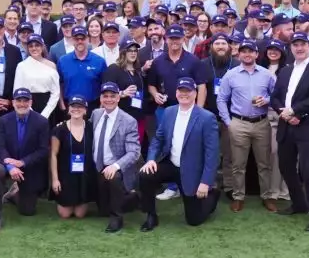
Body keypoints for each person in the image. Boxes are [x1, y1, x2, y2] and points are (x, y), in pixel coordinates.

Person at [271, 33, 309, 232]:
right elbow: (275, 97)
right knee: (285, 166)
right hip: (286, 126)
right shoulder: (285, 70)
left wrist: (297, 112)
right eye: (295, 45)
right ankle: (299, 204)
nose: (299, 48)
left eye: (302, 44)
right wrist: (284, 112)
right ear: (291, 48)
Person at [138, 78, 220, 230]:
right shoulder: (169, 112)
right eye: (181, 91)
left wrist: (205, 182)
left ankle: (212, 194)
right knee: (145, 174)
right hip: (171, 164)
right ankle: (151, 215)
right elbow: (158, 139)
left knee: (194, 220)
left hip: (192, 170)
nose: (184, 94)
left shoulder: (207, 118)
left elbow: (212, 154)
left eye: (188, 91)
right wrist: (150, 159)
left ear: (195, 93)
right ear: (176, 93)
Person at [216, 37, 278, 213]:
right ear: (239, 54)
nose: (247, 54)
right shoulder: (231, 74)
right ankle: (238, 197)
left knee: (264, 163)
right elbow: (221, 99)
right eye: (244, 51)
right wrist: (228, 122)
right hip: (239, 123)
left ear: (257, 54)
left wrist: (266, 100)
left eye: (250, 51)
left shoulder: (266, 74)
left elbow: (276, 96)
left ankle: (267, 196)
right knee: (238, 164)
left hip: (261, 123)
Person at [0, 87, 51, 232]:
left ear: (31, 102)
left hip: (29, 166)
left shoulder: (41, 122)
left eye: (25, 101)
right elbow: (0, 146)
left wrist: (22, 162)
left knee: (27, 211)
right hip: (7, 163)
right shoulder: (4, 120)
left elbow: (43, 150)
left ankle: (13, 194)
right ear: (13, 102)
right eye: (19, 101)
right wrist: (11, 166)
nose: (22, 104)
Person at [90, 86, 141, 233]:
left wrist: (116, 166)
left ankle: (117, 218)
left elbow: (134, 152)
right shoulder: (96, 114)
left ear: (119, 97)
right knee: (102, 210)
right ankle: (131, 199)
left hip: (115, 169)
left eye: (112, 96)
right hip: (97, 167)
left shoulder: (128, 121)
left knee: (114, 178)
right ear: (101, 99)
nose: (109, 99)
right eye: (105, 96)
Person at [50, 95, 96, 219]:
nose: (76, 109)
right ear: (68, 109)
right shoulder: (59, 129)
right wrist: (55, 179)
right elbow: (53, 154)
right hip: (66, 176)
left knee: (80, 214)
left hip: (84, 176)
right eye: (73, 106)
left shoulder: (91, 128)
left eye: (80, 107)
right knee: (65, 214)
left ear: (85, 110)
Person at [12, 35, 60, 120]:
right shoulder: (21, 66)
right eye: (31, 46)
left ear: (42, 47)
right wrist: (30, 111)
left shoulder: (51, 65)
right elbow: (17, 90)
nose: (34, 48)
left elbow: (56, 92)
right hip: (27, 105)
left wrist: (45, 114)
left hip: (48, 106)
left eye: (37, 45)